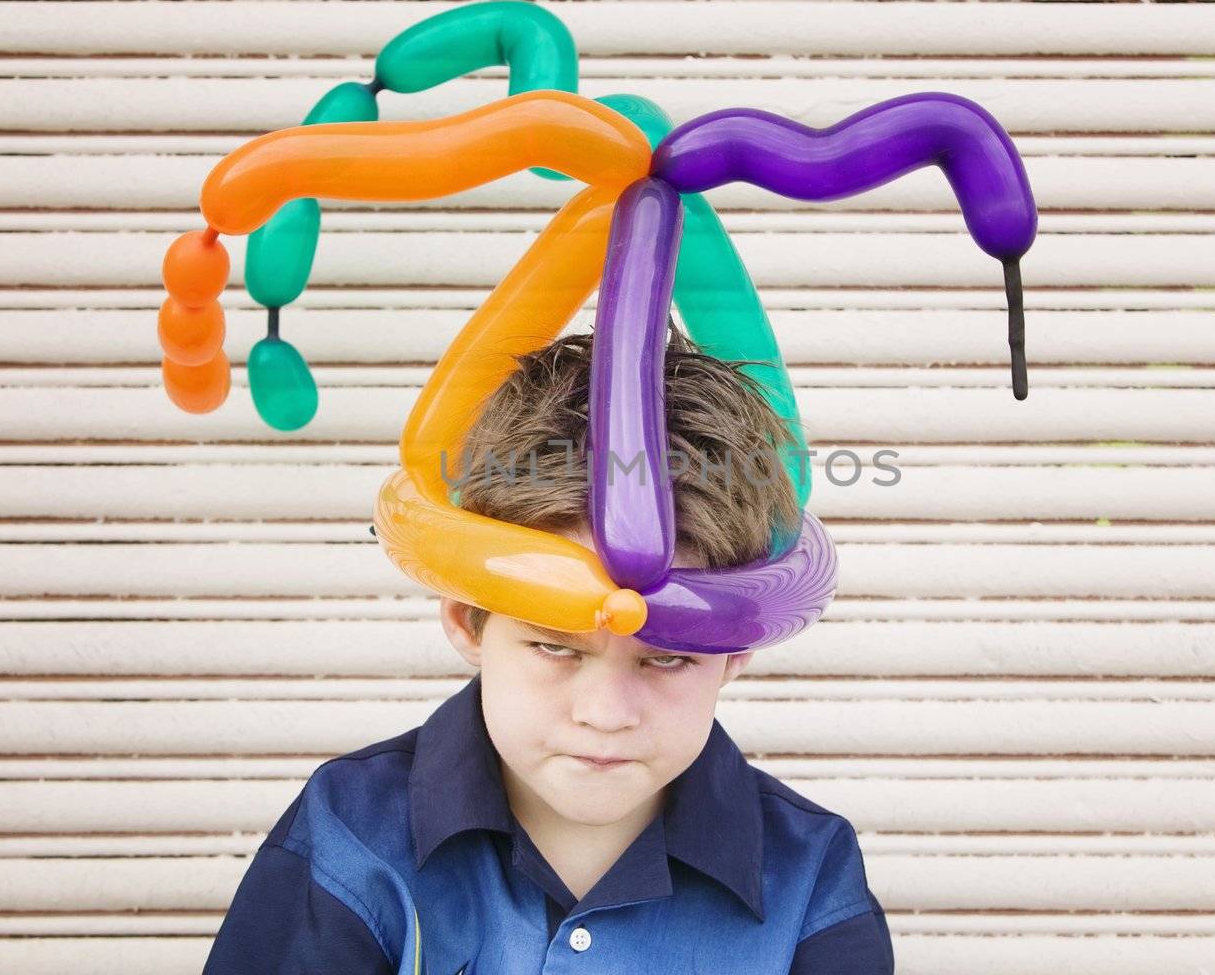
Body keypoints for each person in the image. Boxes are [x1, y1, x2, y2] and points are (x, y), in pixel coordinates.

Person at [202, 324, 894, 974]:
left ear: (735, 651)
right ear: (467, 622)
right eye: (554, 648)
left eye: (668, 657)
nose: (605, 714)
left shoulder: (811, 879)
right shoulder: (350, 833)